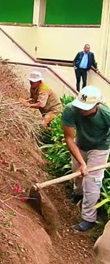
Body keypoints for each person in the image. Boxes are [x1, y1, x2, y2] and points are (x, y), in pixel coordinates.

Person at [61, 86, 110, 232]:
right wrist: (82, 163)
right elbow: (69, 138)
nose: (81, 110)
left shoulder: (106, 114)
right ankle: (78, 194)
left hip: (100, 148)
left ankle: (89, 218)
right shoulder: (71, 109)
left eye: (86, 108)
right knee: (77, 172)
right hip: (80, 144)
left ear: (97, 105)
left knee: (93, 181)